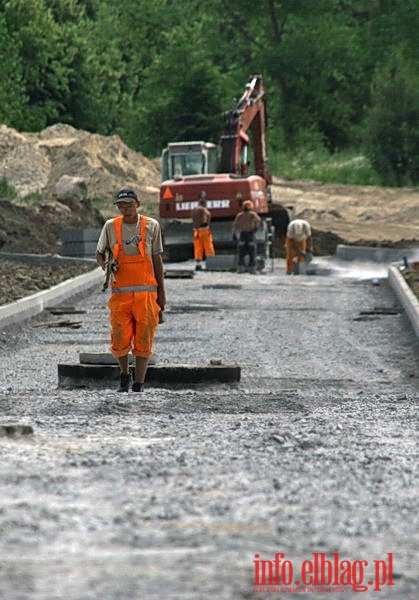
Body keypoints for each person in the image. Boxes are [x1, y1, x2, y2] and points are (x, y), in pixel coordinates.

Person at [96, 187, 166, 393]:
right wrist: (106, 265)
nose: (125, 209)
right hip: (121, 295)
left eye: (129, 204)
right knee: (119, 338)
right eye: (121, 206)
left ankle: (138, 384)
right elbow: (100, 253)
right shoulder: (110, 226)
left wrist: (162, 293)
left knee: (144, 339)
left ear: (137, 204)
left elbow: (156, 260)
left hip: (146, 295)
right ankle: (125, 374)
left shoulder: (151, 226)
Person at [232, 200, 262, 273]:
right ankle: (252, 268)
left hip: (243, 234)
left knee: (242, 252)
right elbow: (258, 220)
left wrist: (234, 234)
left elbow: (234, 225)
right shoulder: (252, 214)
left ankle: (241, 268)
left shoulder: (240, 215)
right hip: (250, 234)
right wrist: (255, 227)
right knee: (252, 252)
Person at [191, 193, 215, 270]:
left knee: (198, 248)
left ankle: (198, 265)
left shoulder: (194, 210)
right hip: (204, 230)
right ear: (204, 203)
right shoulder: (204, 210)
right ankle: (211, 264)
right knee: (208, 247)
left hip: (196, 231)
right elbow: (206, 219)